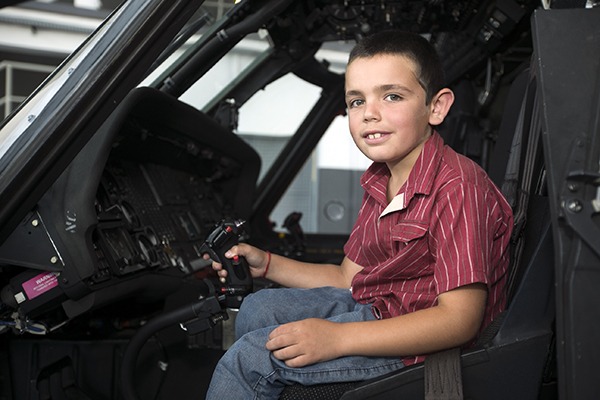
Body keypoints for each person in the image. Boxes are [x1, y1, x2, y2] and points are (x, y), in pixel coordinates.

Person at [205, 29, 513, 399]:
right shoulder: (382, 179)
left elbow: (459, 321)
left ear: (437, 107)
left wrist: (337, 338)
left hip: (424, 341)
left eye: (392, 96)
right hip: (382, 306)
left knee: (249, 360)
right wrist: (266, 264)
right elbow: (347, 277)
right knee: (258, 309)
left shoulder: (457, 187)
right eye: (355, 101)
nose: (369, 113)